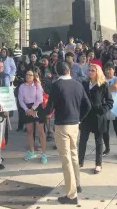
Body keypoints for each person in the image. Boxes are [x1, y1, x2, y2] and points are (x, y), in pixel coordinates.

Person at [38, 61, 91, 205]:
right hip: (75, 125)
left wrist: (37, 113)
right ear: (69, 71)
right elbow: (88, 105)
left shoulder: (57, 85)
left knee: (66, 159)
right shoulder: (78, 84)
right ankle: (77, 183)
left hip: (62, 126)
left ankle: (71, 194)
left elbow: (49, 109)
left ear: (57, 72)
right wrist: (79, 119)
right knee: (74, 155)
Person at [78, 64, 113, 174]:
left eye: (93, 70)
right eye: (89, 70)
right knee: (83, 140)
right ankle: (80, 161)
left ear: (98, 72)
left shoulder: (104, 85)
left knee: (98, 141)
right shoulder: (84, 84)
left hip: (98, 117)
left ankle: (98, 164)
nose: (90, 72)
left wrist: (102, 110)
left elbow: (109, 102)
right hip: (86, 117)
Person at [18, 69, 47, 164]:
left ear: (34, 76)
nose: (28, 76)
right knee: (29, 131)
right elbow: (20, 99)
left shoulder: (37, 85)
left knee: (40, 131)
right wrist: (26, 109)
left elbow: (39, 99)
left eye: (30, 75)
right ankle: (32, 151)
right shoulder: (22, 86)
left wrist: (32, 109)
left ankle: (44, 154)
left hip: (37, 108)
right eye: (27, 74)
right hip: (26, 108)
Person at [103, 63, 117, 160]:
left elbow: (116, 87)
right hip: (104, 108)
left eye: (110, 69)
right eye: (106, 69)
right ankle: (107, 148)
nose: (108, 71)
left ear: (114, 70)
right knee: (105, 130)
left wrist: (103, 89)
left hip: (116, 108)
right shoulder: (102, 79)